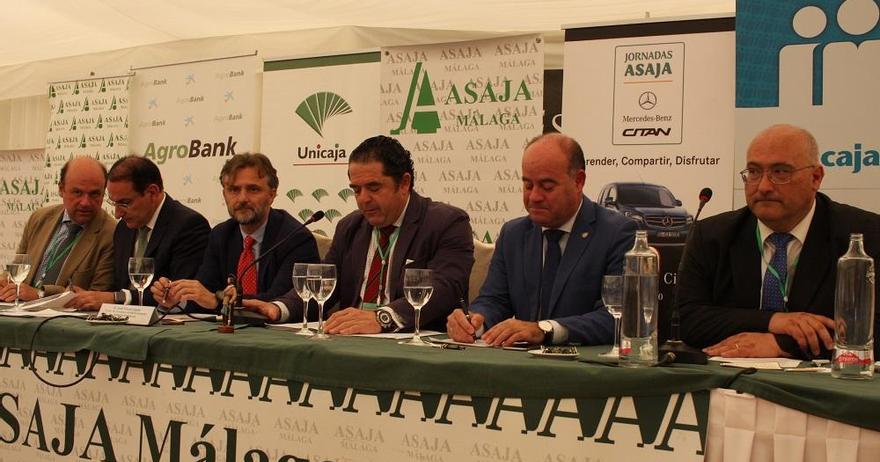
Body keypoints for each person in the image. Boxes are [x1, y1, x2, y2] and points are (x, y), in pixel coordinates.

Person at [678, 124, 880, 359]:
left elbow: (871, 328)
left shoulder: (866, 235)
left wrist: (782, 345)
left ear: (815, 177)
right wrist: (774, 321)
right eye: (754, 172)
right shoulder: (711, 235)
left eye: (780, 172)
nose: (763, 186)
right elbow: (689, 319)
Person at [244, 135, 474, 333]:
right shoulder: (350, 226)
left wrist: (382, 318)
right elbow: (324, 286)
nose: (363, 198)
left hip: (414, 344)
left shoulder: (446, 223)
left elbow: (444, 289)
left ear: (404, 183)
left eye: (374, 188)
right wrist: (278, 308)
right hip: (351, 339)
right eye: (356, 189)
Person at [446, 133, 636, 346]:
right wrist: (474, 322)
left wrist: (545, 329)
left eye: (547, 187)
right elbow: (494, 300)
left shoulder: (617, 233)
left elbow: (617, 317)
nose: (534, 196)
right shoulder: (513, 234)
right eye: (528, 185)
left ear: (578, 181)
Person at [151, 152, 319, 311]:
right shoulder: (221, 234)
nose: (242, 198)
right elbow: (205, 293)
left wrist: (215, 300)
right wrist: (178, 299)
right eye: (233, 190)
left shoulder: (295, 237)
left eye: (253, 189)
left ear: (271, 194)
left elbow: (277, 299)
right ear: (224, 194)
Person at [67, 155, 210, 309]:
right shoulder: (123, 229)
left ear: (152, 192)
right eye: (114, 203)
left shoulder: (188, 226)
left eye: (124, 203)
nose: (117, 214)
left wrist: (117, 298)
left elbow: (177, 296)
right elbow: (116, 285)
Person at [0, 156, 115, 302]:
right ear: (61, 189)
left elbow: (95, 295)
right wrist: (5, 283)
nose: (86, 202)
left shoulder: (111, 234)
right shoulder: (39, 218)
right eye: (77, 192)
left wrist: (40, 294)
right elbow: (16, 270)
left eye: (94, 194)